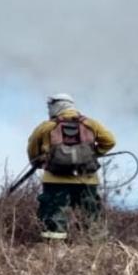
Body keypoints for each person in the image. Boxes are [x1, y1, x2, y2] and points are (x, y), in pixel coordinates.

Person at [26, 93, 116, 241]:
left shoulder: (46, 127)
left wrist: (40, 162)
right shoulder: (90, 124)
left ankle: (54, 251)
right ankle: (97, 251)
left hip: (55, 181)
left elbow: (32, 150)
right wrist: (95, 153)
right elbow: (110, 141)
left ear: (56, 107)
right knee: (91, 215)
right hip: (87, 180)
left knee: (54, 216)